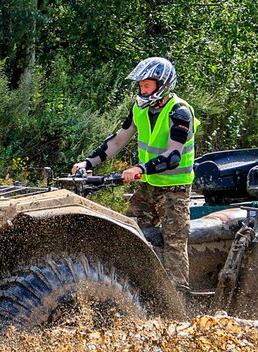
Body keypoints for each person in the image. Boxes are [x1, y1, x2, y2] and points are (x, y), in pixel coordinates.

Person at [72, 57, 198, 292]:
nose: (142, 90)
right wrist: (88, 162)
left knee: (174, 241)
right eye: (140, 85)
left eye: (147, 85)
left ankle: (178, 298)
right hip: (148, 186)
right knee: (129, 235)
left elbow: (173, 156)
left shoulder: (180, 112)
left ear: (163, 85)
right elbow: (118, 140)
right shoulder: (139, 109)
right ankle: (132, 289)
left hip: (175, 189)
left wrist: (140, 169)